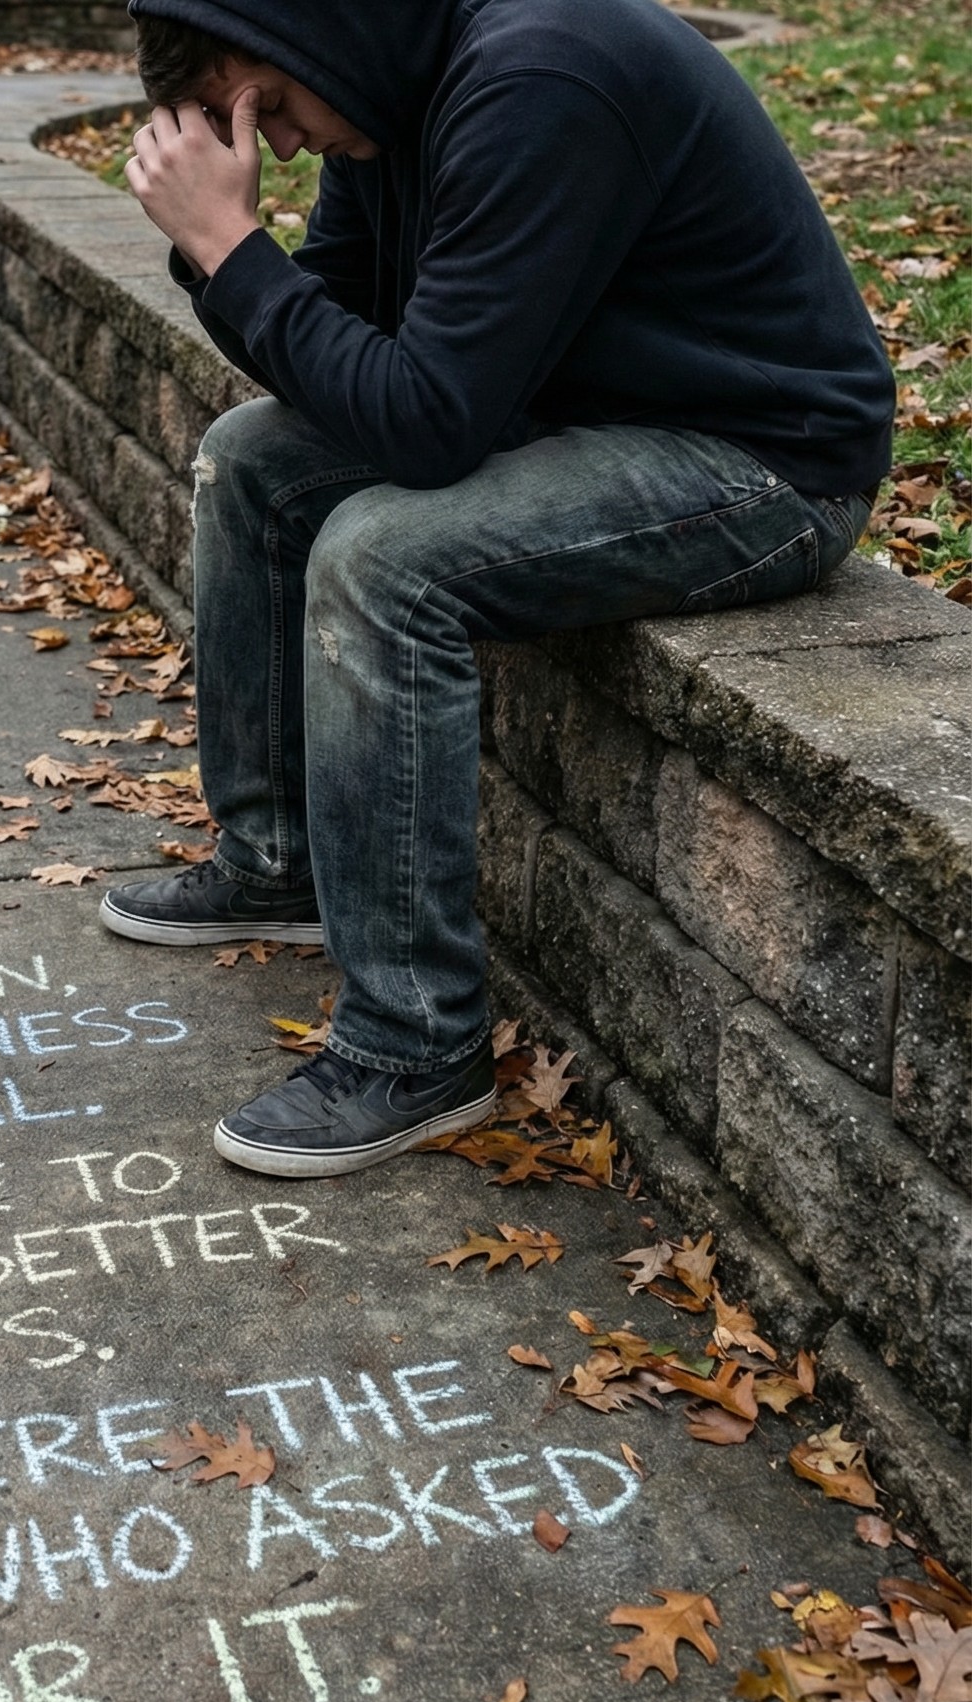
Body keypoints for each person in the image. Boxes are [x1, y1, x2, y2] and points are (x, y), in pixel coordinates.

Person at [98, 0, 894, 1179]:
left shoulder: (543, 78)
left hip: (755, 460)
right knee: (255, 459)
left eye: (252, 105)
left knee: (382, 559)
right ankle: (277, 863)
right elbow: (337, 339)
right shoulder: (387, 94)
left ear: (313, 36)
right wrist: (224, 248)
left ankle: (417, 1043)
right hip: (576, 410)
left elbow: (424, 426)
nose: (271, 141)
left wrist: (231, 251)